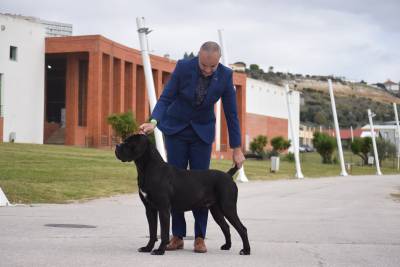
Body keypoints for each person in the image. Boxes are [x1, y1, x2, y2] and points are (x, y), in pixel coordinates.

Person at [139, 41, 245, 253]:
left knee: (201, 186)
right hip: (176, 129)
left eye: (212, 67)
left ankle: (199, 237)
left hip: (202, 134)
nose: (207, 70)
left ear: (218, 62)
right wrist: (154, 122)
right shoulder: (183, 67)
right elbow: (166, 97)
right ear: (198, 56)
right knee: (172, 185)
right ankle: (177, 236)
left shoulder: (225, 75)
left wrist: (236, 147)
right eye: (203, 65)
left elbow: (231, 113)